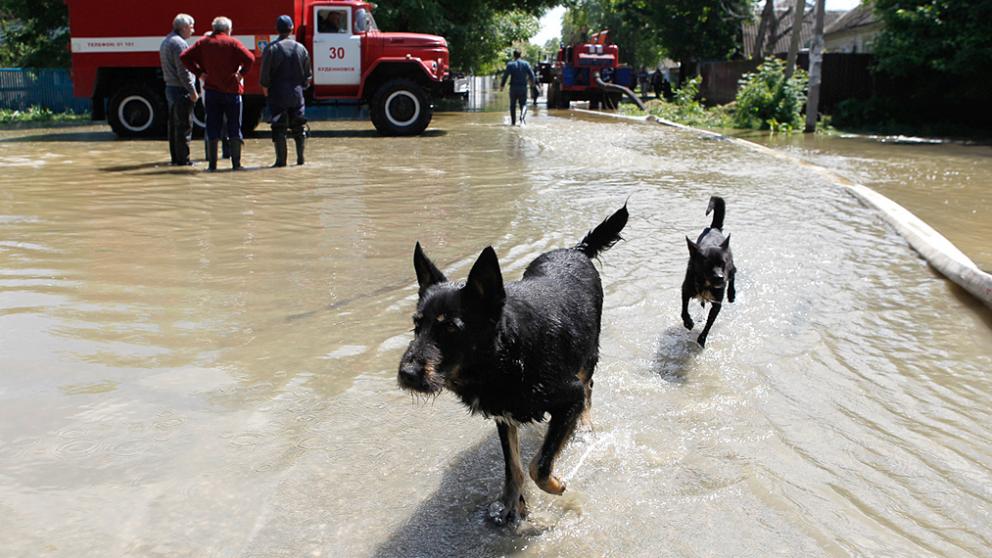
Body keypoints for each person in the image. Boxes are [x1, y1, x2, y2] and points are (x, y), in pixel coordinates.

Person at [180, 17, 255, 171]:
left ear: (214, 28)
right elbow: (250, 58)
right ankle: (236, 165)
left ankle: (212, 166)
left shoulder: (203, 42)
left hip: (212, 92)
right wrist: (241, 74)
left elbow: (184, 57)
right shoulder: (233, 43)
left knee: (212, 127)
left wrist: (199, 73)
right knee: (234, 127)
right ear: (228, 29)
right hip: (232, 92)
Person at [260, 15, 312, 167]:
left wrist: (266, 93)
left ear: (277, 29)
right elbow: (308, 76)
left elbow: (264, 77)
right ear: (292, 29)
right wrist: (301, 88)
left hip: (277, 95)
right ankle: (301, 160)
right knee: (299, 127)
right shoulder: (301, 48)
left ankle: (281, 162)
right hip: (297, 95)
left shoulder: (271, 49)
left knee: (279, 128)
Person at [159, 13, 198, 166]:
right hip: (181, 90)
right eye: (191, 27)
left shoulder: (167, 41)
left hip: (170, 88)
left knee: (174, 127)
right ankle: (184, 161)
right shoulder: (179, 44)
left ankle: (176, 159)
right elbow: (183, 71)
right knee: (184, 126)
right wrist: (192, 91)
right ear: (184, 27)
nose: (193, 30)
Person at [499, 49, 535, 126]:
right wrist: (532, 84)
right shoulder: (526, 64)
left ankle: (513, 123)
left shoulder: (510, 64)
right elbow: (532, 75)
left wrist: (502, 86)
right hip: (523, 87)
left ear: (513, 55)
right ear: (521, 55)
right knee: (524, 104)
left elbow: (505, 76)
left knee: (512, 105)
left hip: (513, 88)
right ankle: (522, 118)